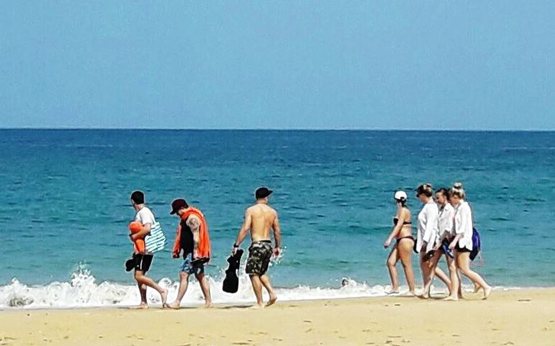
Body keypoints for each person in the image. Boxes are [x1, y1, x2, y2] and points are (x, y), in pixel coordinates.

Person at [232, 187, 282, 308]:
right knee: (261, 272)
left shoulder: (251, 210)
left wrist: (236, 244)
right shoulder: (272, 212)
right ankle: (272, 293)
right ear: (266, 198)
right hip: (268, 244)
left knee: (253, 273)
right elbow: (277, 231)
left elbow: (245, 228)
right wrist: (277, 246)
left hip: (257, 244)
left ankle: (260, 302)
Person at [448, 183, 492, 300]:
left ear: (455, 197)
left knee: (464, 268)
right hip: (458, 240)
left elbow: (462, 228)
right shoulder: (457, 208)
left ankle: (485, 286)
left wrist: (454, 241)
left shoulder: (464, 208)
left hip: (463, 241)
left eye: (451, 197)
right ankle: (456, 293)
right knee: (455, 267)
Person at [168, 198, 212, 308]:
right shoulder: (189, 216)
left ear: (182, 208)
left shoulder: (191, 218)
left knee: (184, 274)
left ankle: (177, 302)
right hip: (191, 251)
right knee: (200, 276)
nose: (177, 215)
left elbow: (196, 236)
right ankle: (208, 301)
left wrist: (196, 252)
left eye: (177, 211)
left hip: (193, 252)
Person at [129, 190, 168, 309]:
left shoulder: (144, 212)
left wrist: (134, 237)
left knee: (138, 276)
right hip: (143, 249)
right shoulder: (143, 212)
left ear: (132, 201)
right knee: (140, 275)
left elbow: (147, 228)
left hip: (145, 249)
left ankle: (161, 290)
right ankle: (143, 302)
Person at [415, 183, 450, 298]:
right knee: (426, 265)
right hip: (425, 239)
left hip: (429, 240)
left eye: (419, 195)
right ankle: (426, 290)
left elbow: (430, 226)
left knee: (429, 265)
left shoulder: (430, 207)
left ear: (424, 195)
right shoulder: (430, 207)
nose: (418, 197)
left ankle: (446, 284)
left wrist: (425, 242)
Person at [383, 190, 416, 295]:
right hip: (400, 240)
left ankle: (412, 289)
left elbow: (399, 225)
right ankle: (395, 287)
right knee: (390, 262)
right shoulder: (401, 210)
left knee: (406, 264)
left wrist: (389, 238)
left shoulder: (403, 211)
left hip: (405, 239)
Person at [433, 188, 460, 300]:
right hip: (440, 239)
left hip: (447, 240)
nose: (436, 200)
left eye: (438, 198)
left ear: (445, 197)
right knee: (431, 264)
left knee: (452, 267)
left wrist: (440, 241)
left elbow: (448, 228)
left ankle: (454, 293)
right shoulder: (440, 209)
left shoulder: (450, 210)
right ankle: (451, 286)